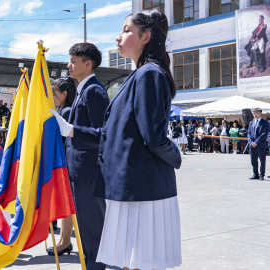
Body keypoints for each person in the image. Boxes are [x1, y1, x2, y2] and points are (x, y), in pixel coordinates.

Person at [52, 10, 182, 270]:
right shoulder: (138, 75)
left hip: (144, 191)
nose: (118, 36)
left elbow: (154, 138)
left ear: (146, 37)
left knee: (140, 262)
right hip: (133, 189)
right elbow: (110, 135)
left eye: (126, 30)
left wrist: (175, 155)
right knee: (133, 262)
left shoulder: (150, 74)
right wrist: (68, 129)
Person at [49, 42, 110, 270]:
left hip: (88, 173)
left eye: (74, 61)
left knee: (92, 230)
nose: (69, 65)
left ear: (88, 64)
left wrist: (71, 130)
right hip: (79, 172)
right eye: (70, 60)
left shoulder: (94, 90)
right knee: (84, 230)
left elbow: (104, 134)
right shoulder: (84, 89)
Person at [47, 77, 76, 256]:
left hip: (64, 162)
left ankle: (65, 241)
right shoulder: (63, 109)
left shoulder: (65, 111)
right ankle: (63, 240)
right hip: (65, 161)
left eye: (55, 94)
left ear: (64, 94)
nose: (53, 97)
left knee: (67, 204)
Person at [248, 107, 269, 180]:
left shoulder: (265, 122)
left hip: (260, 144)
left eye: (257, 113)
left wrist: (256, 142)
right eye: (254, 113)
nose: (255, 114)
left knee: (262, 160)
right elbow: (249, 133)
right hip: (252, 145)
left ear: (261, 113)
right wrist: (251, 142)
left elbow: (264, 133)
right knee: (253, 160)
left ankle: (261, 175)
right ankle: (255, 174)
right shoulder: (251, 122)